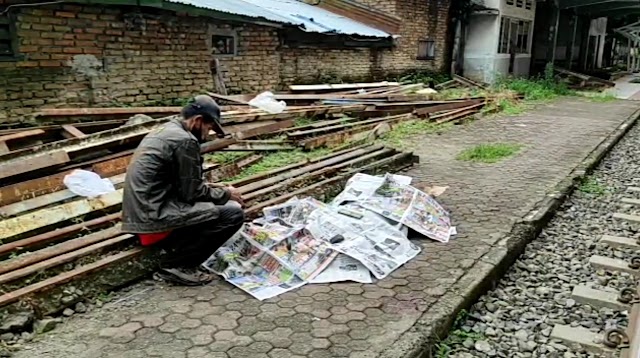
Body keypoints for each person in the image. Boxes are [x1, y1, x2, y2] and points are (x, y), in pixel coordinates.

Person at [121, 95, 245, 286]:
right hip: (153, 219)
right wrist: (226, 194)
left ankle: (180, 255)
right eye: (209, 127)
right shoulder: (185, 141)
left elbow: (182, 183)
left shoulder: (167, 130)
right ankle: (178, 266)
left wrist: (217, 189)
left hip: (141, 213)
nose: (208, 133)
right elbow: (191, 193)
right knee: (232, 213)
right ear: (197, 121)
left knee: (221, 203)